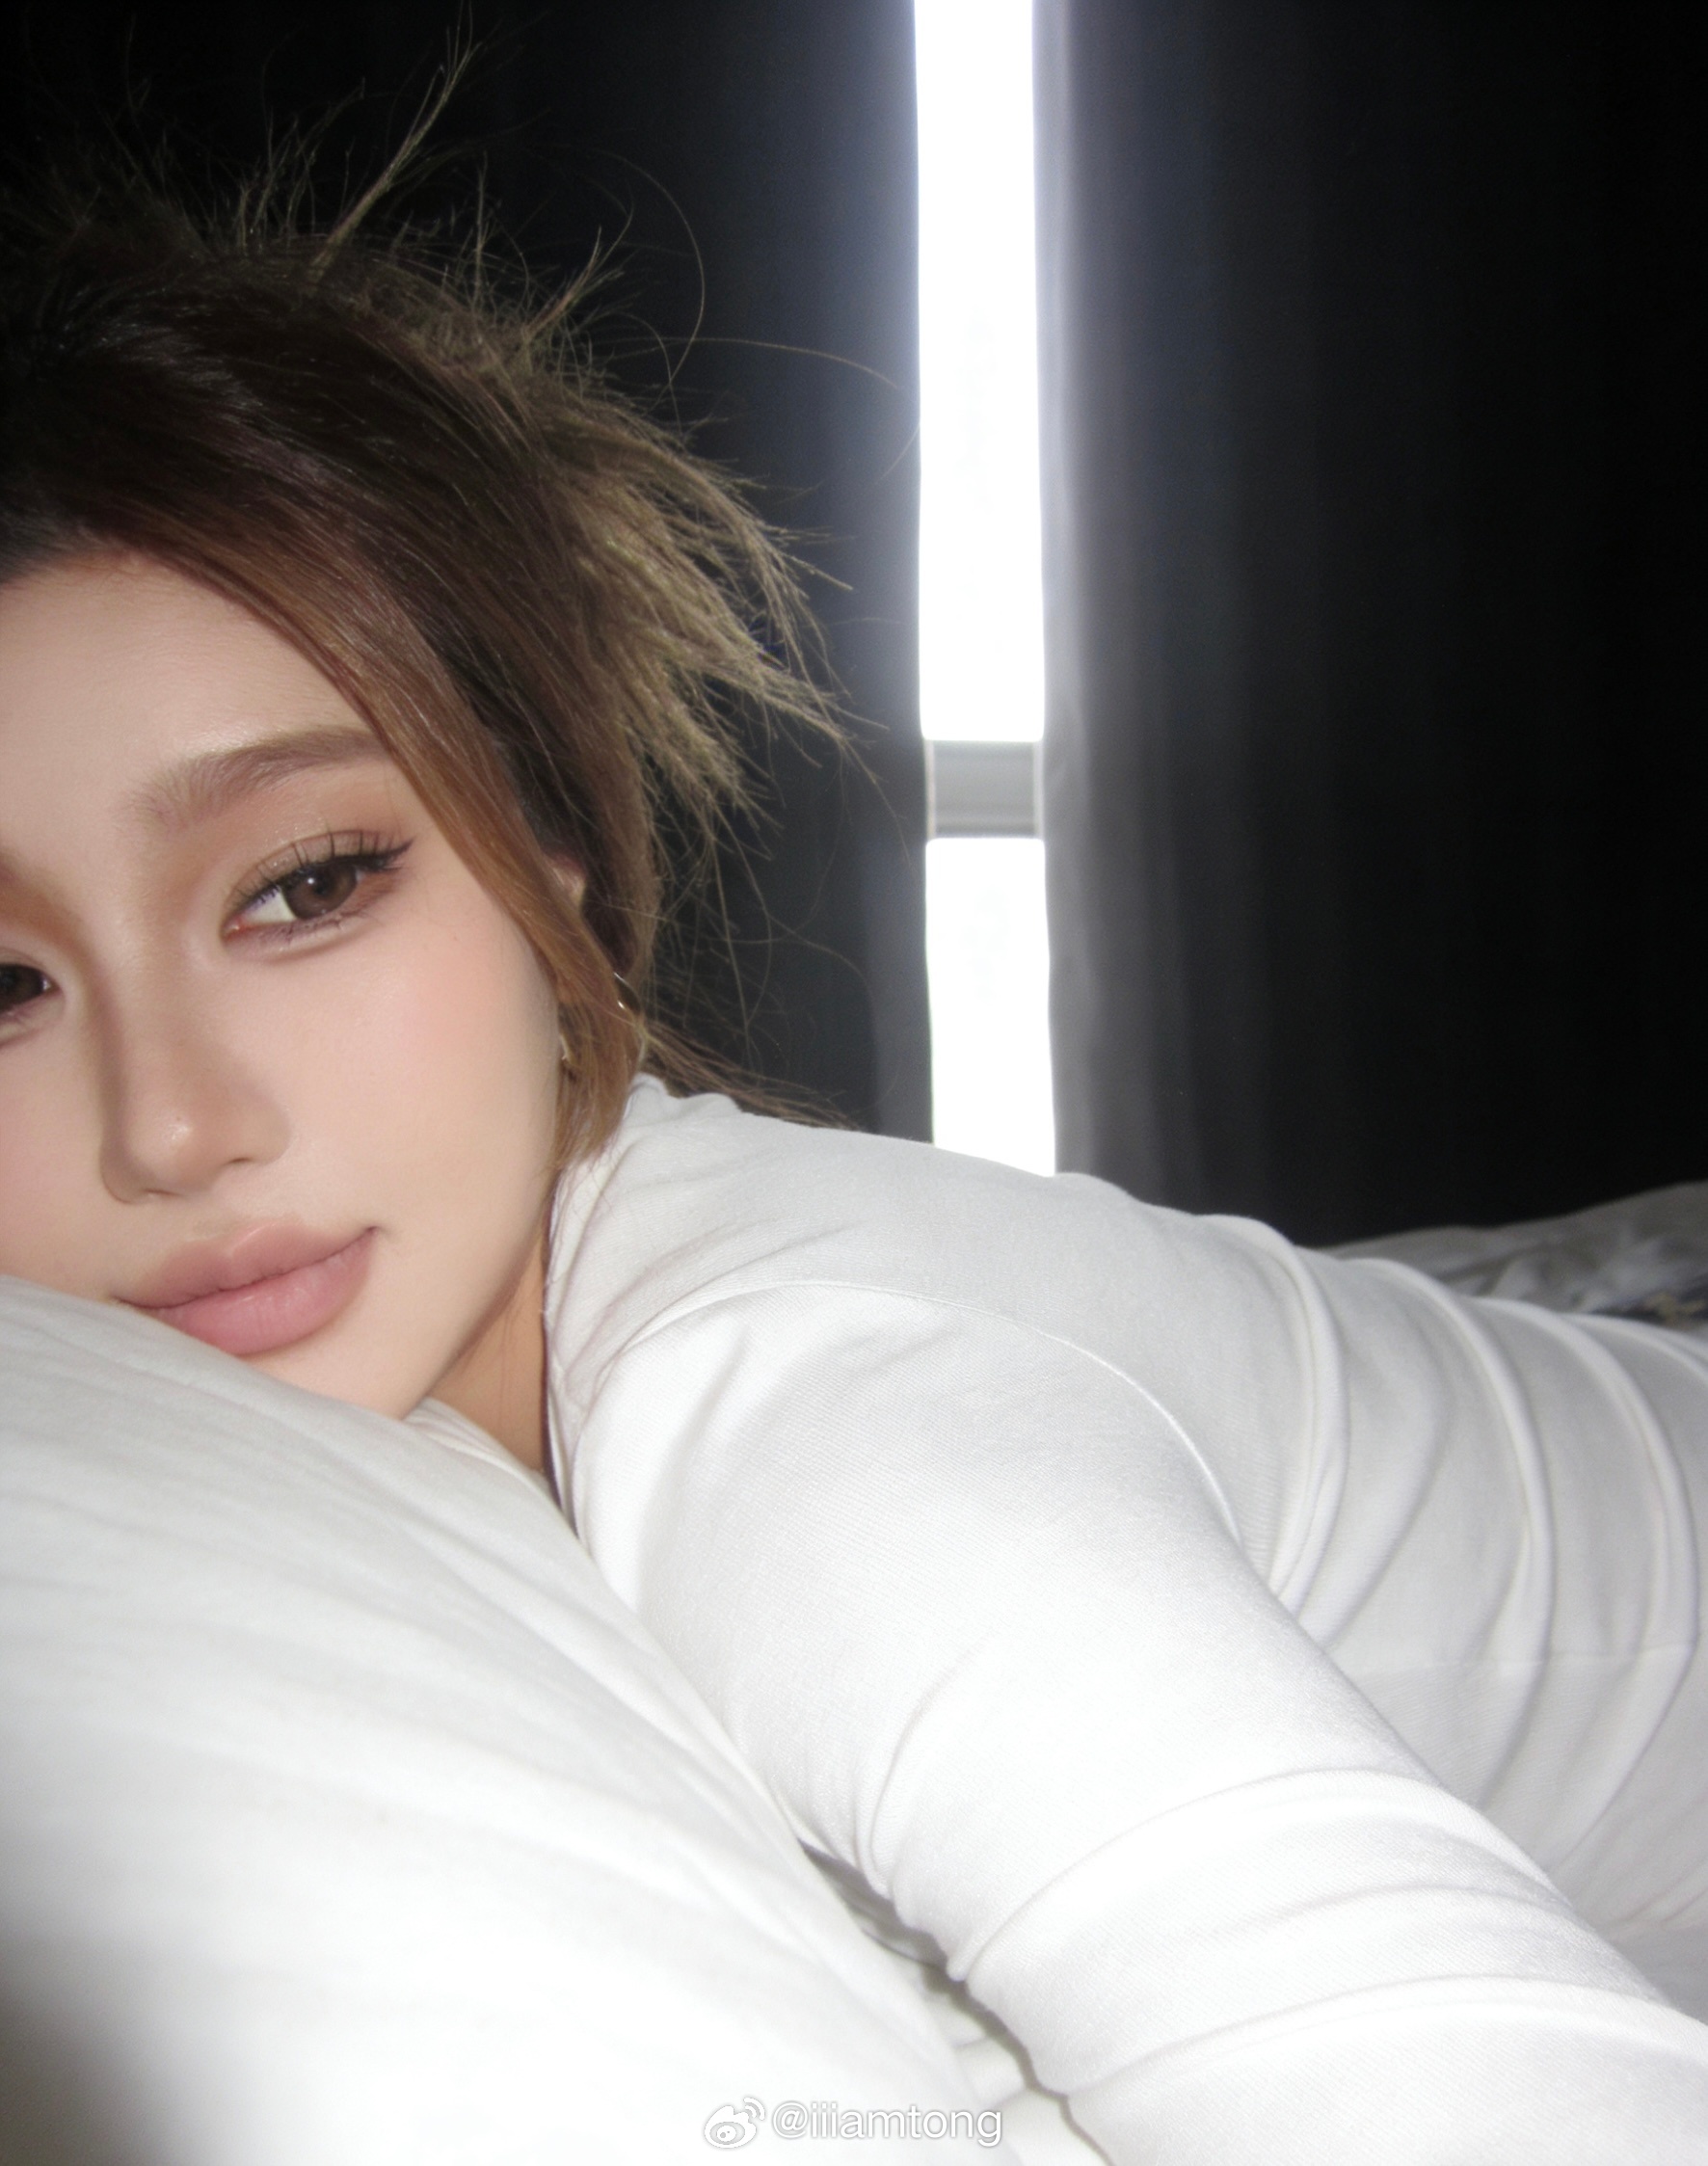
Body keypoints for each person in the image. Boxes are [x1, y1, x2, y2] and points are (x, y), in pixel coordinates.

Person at [1, 163, 1706, 2164]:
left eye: (307, 884)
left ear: (555, 856)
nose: (173, 1123)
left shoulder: (822, 1425)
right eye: (0, 985)